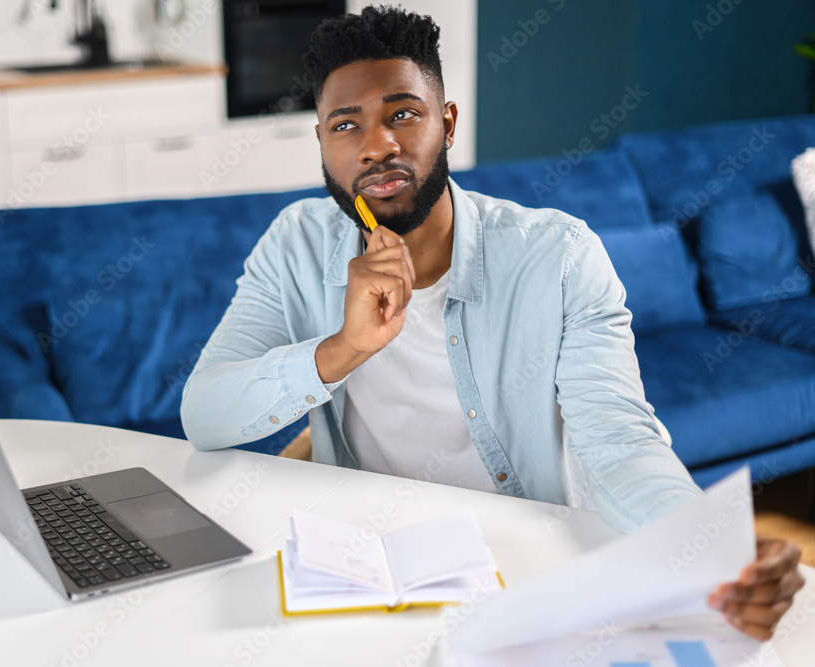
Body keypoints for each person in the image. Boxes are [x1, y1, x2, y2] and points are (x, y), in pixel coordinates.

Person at [180, 5, 804, 640]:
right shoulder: (294, 245)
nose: (377, 146)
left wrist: (709, 550)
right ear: (322, 143)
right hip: (373, 570)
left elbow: (620, 441)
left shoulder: (559, 256)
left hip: (527, 565)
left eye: (403, 114)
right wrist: (341, 350)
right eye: (347, 125)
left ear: (447, 124)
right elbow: (205, 414)